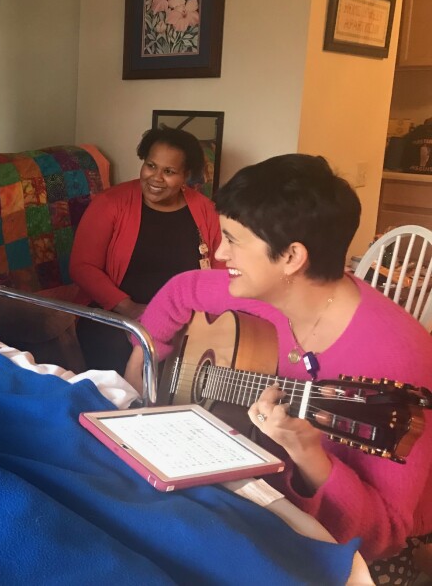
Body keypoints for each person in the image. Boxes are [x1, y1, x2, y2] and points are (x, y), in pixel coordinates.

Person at [130, 154, 432, 578]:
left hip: (351, 553)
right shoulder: (263, 291)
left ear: (291, 257)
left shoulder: (401, 358)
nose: (220, 252)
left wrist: (310, 457)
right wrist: (140, 377)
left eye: (233, 240)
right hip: (253, 497)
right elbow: (182, 290)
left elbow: (386, 532)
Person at [68, 126, 221, 372]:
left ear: (186, 175)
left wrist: (204, 321)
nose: (156, 178)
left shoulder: (206, 211)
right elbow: (82, 267)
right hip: (118, 316)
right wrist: (128, 306)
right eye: (151, 166)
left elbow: (221, 273)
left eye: (169, 171)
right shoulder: (110, 204)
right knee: (115, 349)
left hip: (187, 321)